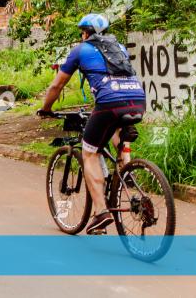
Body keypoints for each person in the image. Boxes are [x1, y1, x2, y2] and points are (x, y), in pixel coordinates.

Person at [38, 13, 147, 235]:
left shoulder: (81, 50)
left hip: (109, 102)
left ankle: (100, 212)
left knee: (89, 153)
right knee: (116, 131)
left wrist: (46, 108)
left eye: (82, 33)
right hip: (136, 100)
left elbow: (56, 86)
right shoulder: (120, 48)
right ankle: (126, 173)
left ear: (85, 33)